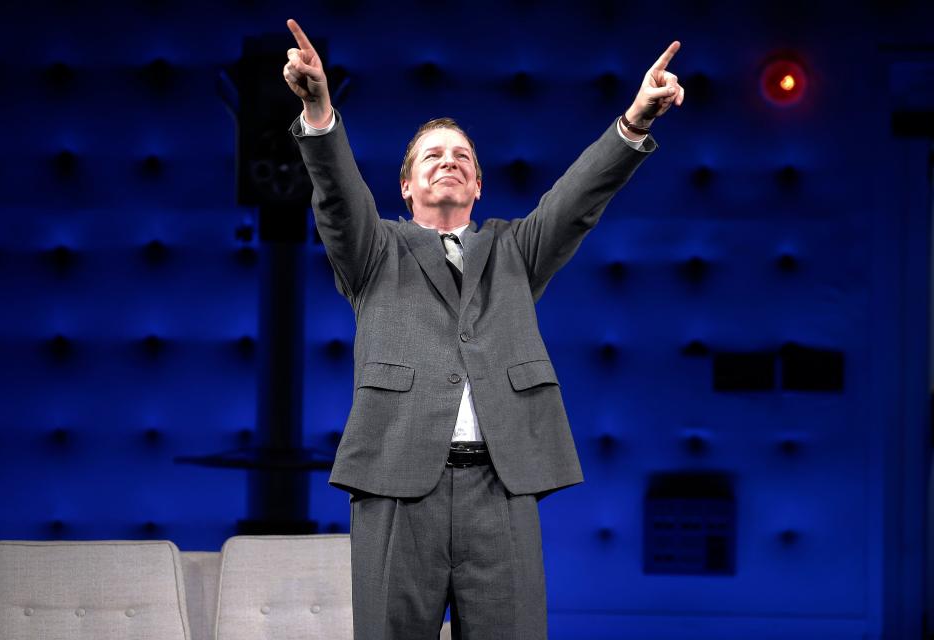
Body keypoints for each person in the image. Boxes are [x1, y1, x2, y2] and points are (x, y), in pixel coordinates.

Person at [283, 17, 683, 640]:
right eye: (433, 156)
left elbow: (576, 202)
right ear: (407, 185)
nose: (450, 163)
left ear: (477, 184)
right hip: (395, 480)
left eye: (462, 157)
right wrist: (319, 109)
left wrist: (632, 123)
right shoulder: (374, 250)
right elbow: (337, 195)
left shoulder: (513, 250)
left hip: (501, 481)